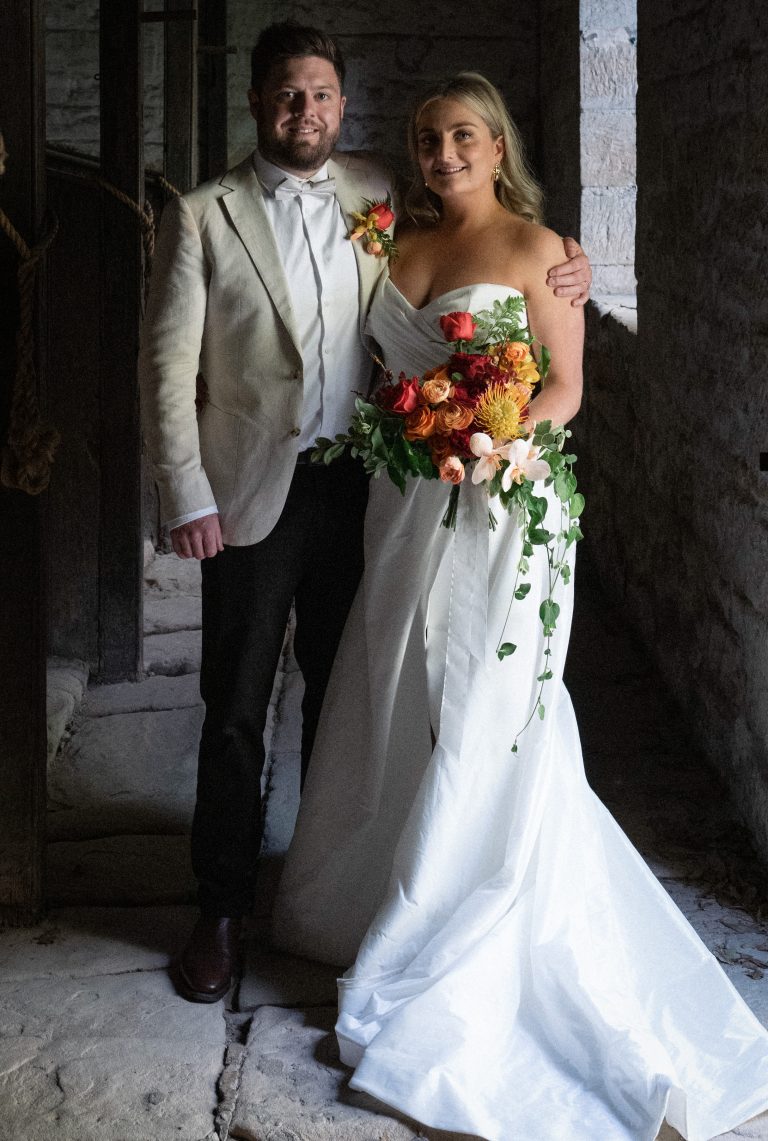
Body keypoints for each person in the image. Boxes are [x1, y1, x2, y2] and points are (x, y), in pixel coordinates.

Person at [271, 73, 768, 1140]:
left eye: (462, 136)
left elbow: (564, 388)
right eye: (426, 139)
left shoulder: (546, 251)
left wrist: (490, 445)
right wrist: (423, 436)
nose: (442, 153)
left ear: (498, 145)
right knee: (398, 673)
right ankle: (386, 876)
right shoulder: (395, 249)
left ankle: (472, 898)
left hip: (504, 506)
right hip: (405, 503)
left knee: (494, 699)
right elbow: (375, 375)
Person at [139, 25, 592, 1005]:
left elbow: (505, 272)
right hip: (249, 494)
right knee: (234, 707)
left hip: (370, 491)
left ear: (343, 107)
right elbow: (167, 367)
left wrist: (574, 274)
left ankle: (339, 885)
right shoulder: (203, 214)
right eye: (288, 95)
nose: (307, 111)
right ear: (260, 103)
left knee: (363, 700)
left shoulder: (380, 193)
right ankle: (220, 907)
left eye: (323, 96)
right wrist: (186, 493)